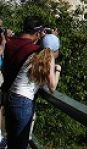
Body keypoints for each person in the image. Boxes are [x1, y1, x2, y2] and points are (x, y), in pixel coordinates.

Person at [2, 17, 60, 149]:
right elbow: (51, 85)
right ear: (38, 33)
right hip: (23, 102)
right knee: (21, 145)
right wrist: (51, 42)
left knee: (11, 142)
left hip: (9, 96)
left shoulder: (10, 44)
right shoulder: (34, 50)